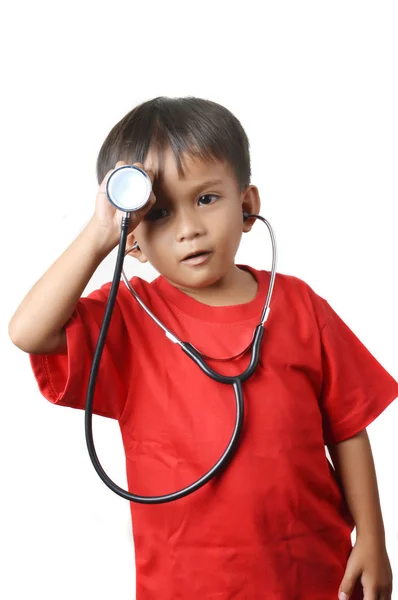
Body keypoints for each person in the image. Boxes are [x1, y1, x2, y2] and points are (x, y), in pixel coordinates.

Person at [8, 96, 398, 600]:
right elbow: (28, 332)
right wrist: (103, 229)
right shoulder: (126, 319)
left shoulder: (300, 305)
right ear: (134, 240)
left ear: (248, 206)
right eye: (161, 212)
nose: (189, 228)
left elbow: (348, 429)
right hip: (187, 583)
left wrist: (373, 537)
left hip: (313, 570)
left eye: (207, 199)